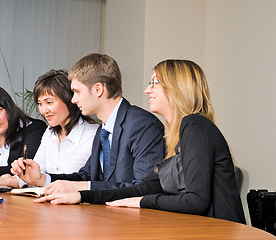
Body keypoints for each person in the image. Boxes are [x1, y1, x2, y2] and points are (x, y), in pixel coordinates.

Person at [34, 59, 246, 224]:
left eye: (154, 83)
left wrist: (142, 202)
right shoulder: (178, 135)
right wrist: (81, 195)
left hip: (219, 231)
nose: (147, 90)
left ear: (177, 87)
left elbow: (195, 200)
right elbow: (144, 187)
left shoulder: (195, 125)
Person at [11, 53, 165, 195]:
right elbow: (85, 176)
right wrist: (42, 179)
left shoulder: (142, 125)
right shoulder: (104, 130)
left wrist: (83, 189)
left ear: (98, 89)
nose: (73, 99)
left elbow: (145, 187)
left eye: (77, 92)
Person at [0, 70, 99, 187]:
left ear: (69, 99)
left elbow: (76, 180)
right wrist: (1, 179)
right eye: (40, 104)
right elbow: (36, 174)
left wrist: (38, 179)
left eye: (49, 102)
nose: (44, 110)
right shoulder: (50, 133)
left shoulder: (92, 134)